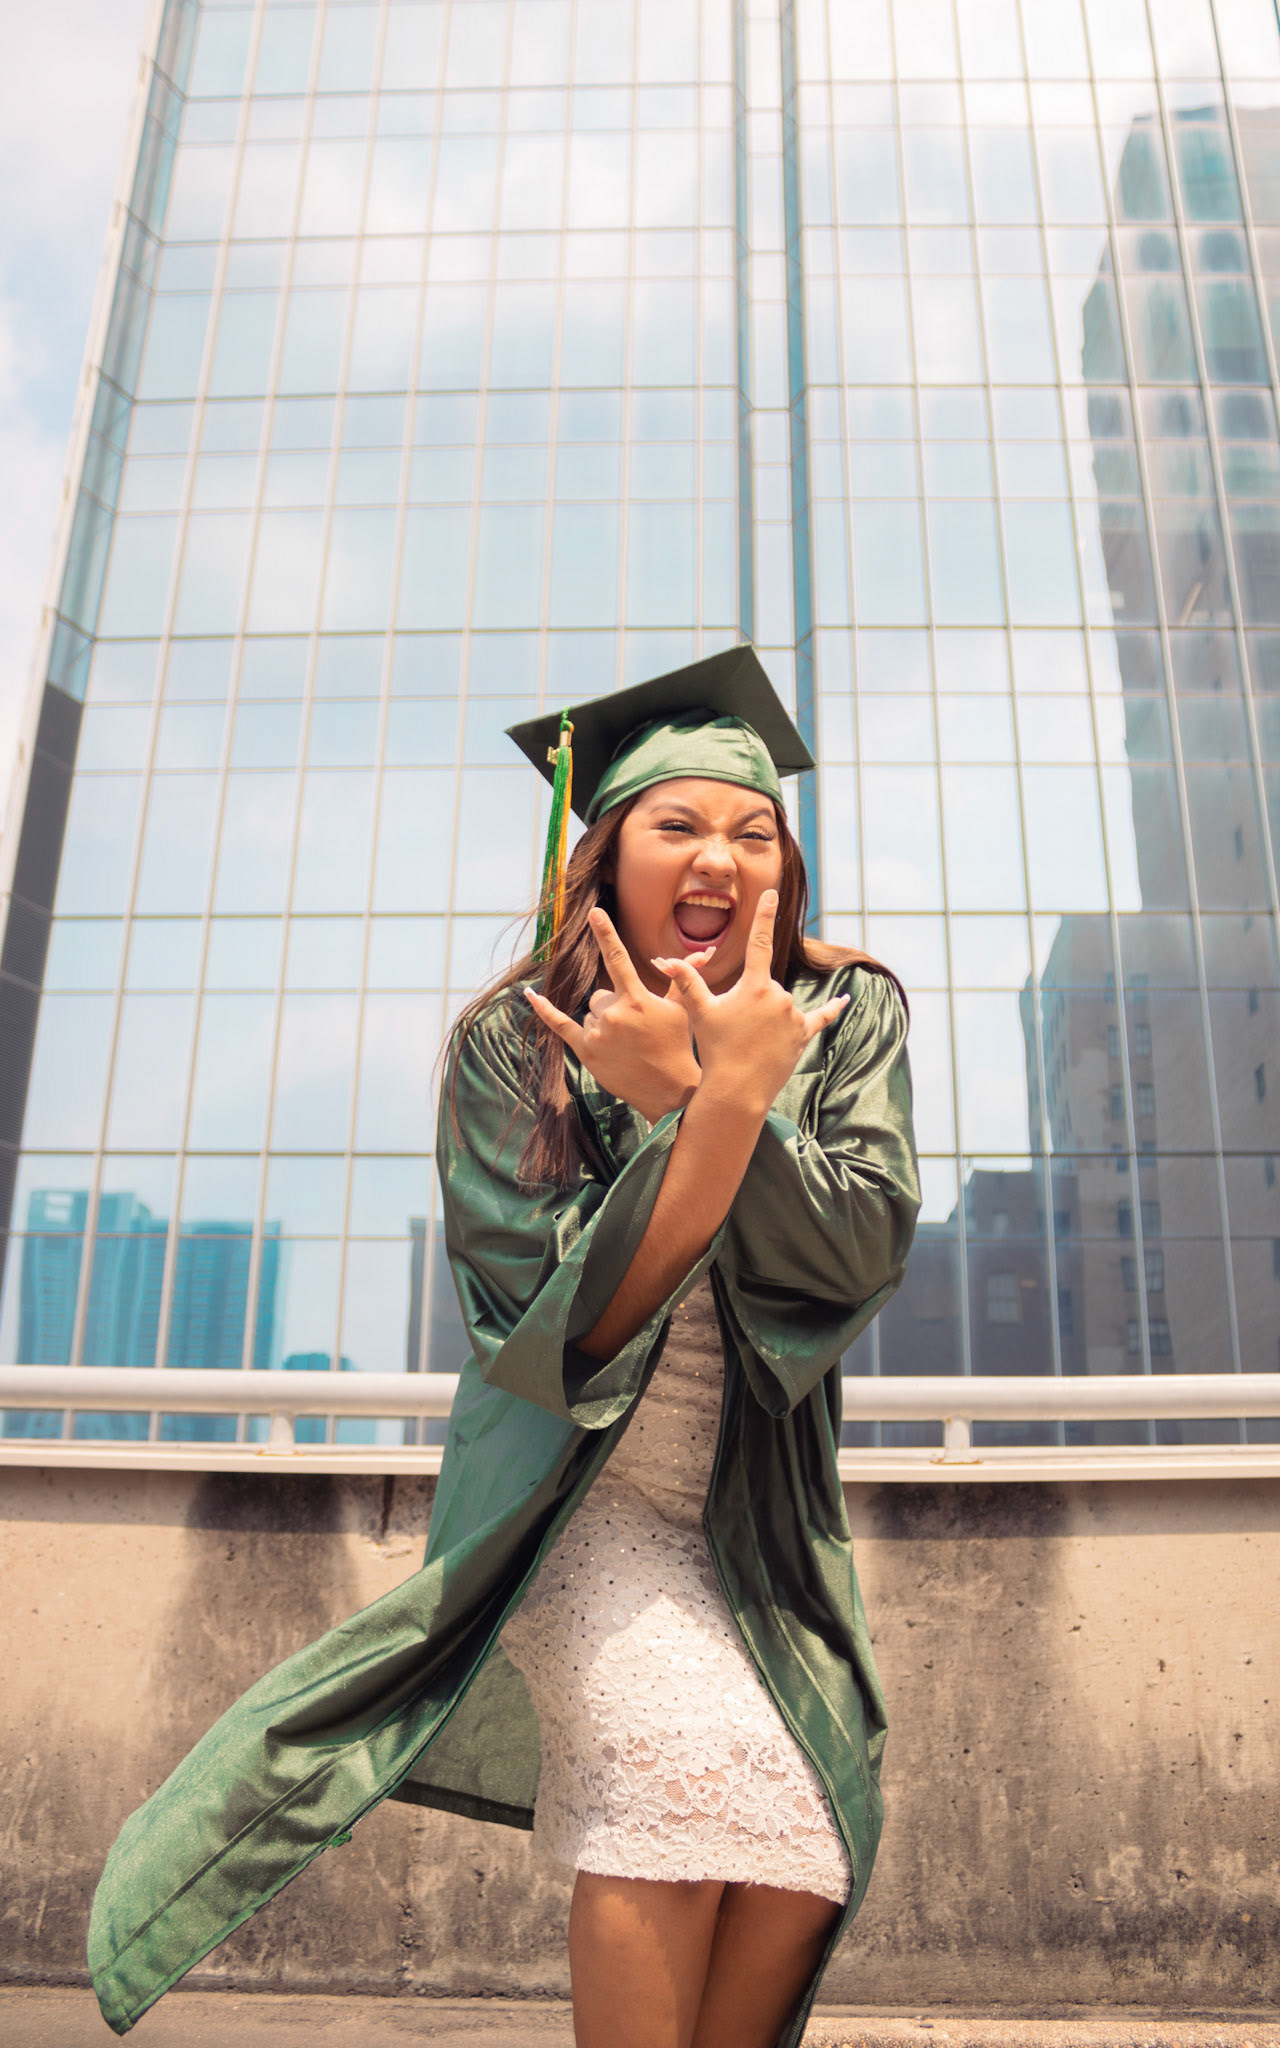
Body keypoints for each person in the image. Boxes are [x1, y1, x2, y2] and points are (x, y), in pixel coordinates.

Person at [88, 645, 920, 2048]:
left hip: (755, 1512)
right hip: (563, 1501)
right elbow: (563, 1336)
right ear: (605, 857)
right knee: (673, 1778)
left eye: (753, 830)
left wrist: (722, 1090)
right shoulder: (511, 1043)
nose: (720, 858)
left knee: (806, 1842)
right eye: (678, 824)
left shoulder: (842, 1020)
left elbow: (855, 1253)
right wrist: (709, 1110)